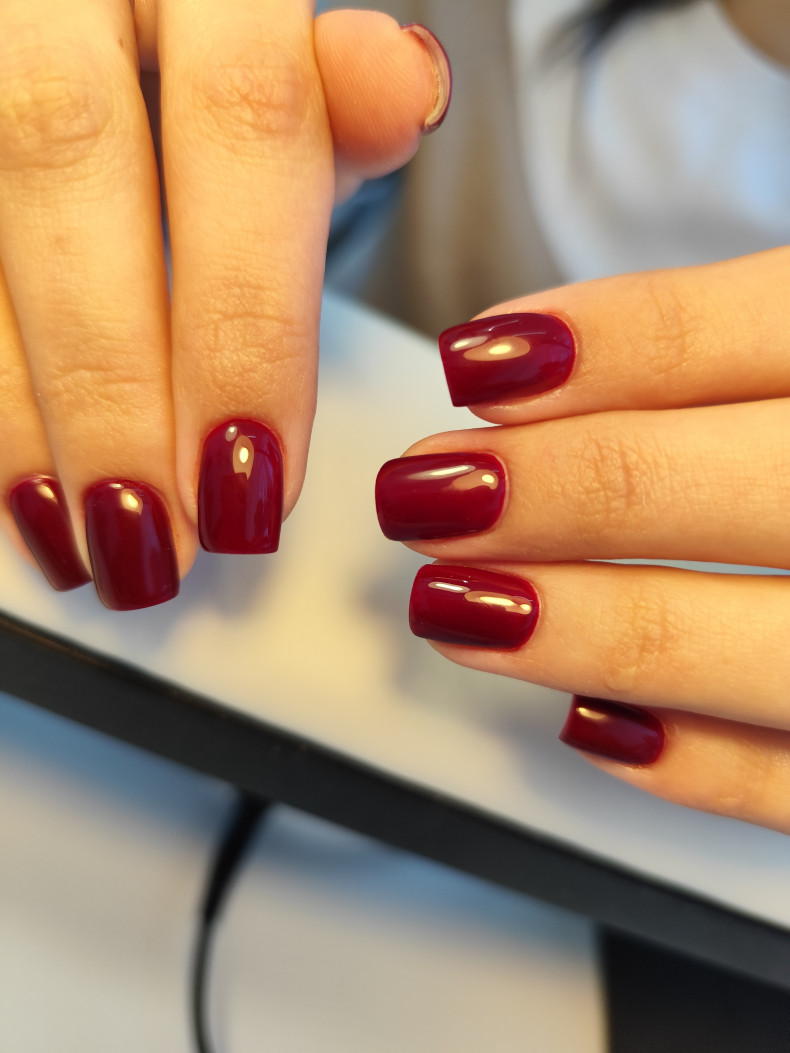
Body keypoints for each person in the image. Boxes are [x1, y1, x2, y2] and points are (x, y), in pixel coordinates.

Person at [1, 0, 789, 833]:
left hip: (589, 851)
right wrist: (99, 127)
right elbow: (278, 103)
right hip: (146, 730)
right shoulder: (444, 45)